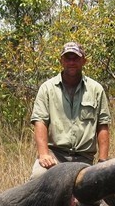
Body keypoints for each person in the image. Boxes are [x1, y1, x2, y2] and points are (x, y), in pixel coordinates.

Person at [30, 42, 110, 179]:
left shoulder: (96, 89)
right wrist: (44, 154)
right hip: (55, 156)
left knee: (102, 189)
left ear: (84, 61)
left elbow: (103, 125)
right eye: (68, 58)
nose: (71, 62)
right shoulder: (47, 89)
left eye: (76, 58)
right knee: (37, 179)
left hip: (84, 159)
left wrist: (102, 161)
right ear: (61, 61)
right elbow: (40, 122)